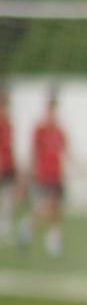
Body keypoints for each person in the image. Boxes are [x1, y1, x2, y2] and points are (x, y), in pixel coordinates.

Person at [21, 87, 68, 255]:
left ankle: (53, 239)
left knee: (56, 209)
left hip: (57, 175)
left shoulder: (59, 130)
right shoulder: (40, 130)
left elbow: (65, 151)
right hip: (44, 175)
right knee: (47, 206)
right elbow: (33, 152)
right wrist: (29, 172)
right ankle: (29, 226)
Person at [0, 83, 18, 244]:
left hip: (8, 167)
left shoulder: (9, 124)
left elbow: (10, 147)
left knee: (8, 197)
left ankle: (5, 225)